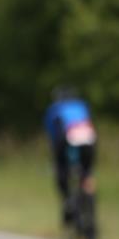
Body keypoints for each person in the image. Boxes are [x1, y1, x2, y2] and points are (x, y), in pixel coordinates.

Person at [44, 86, 97, 228]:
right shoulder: (82, 105)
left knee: (61, 170)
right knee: (87, 174)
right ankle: (91, 213)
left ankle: (68, 200)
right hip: (88, 139)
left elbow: (52, 135)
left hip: (66, 138)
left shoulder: (54, 108)